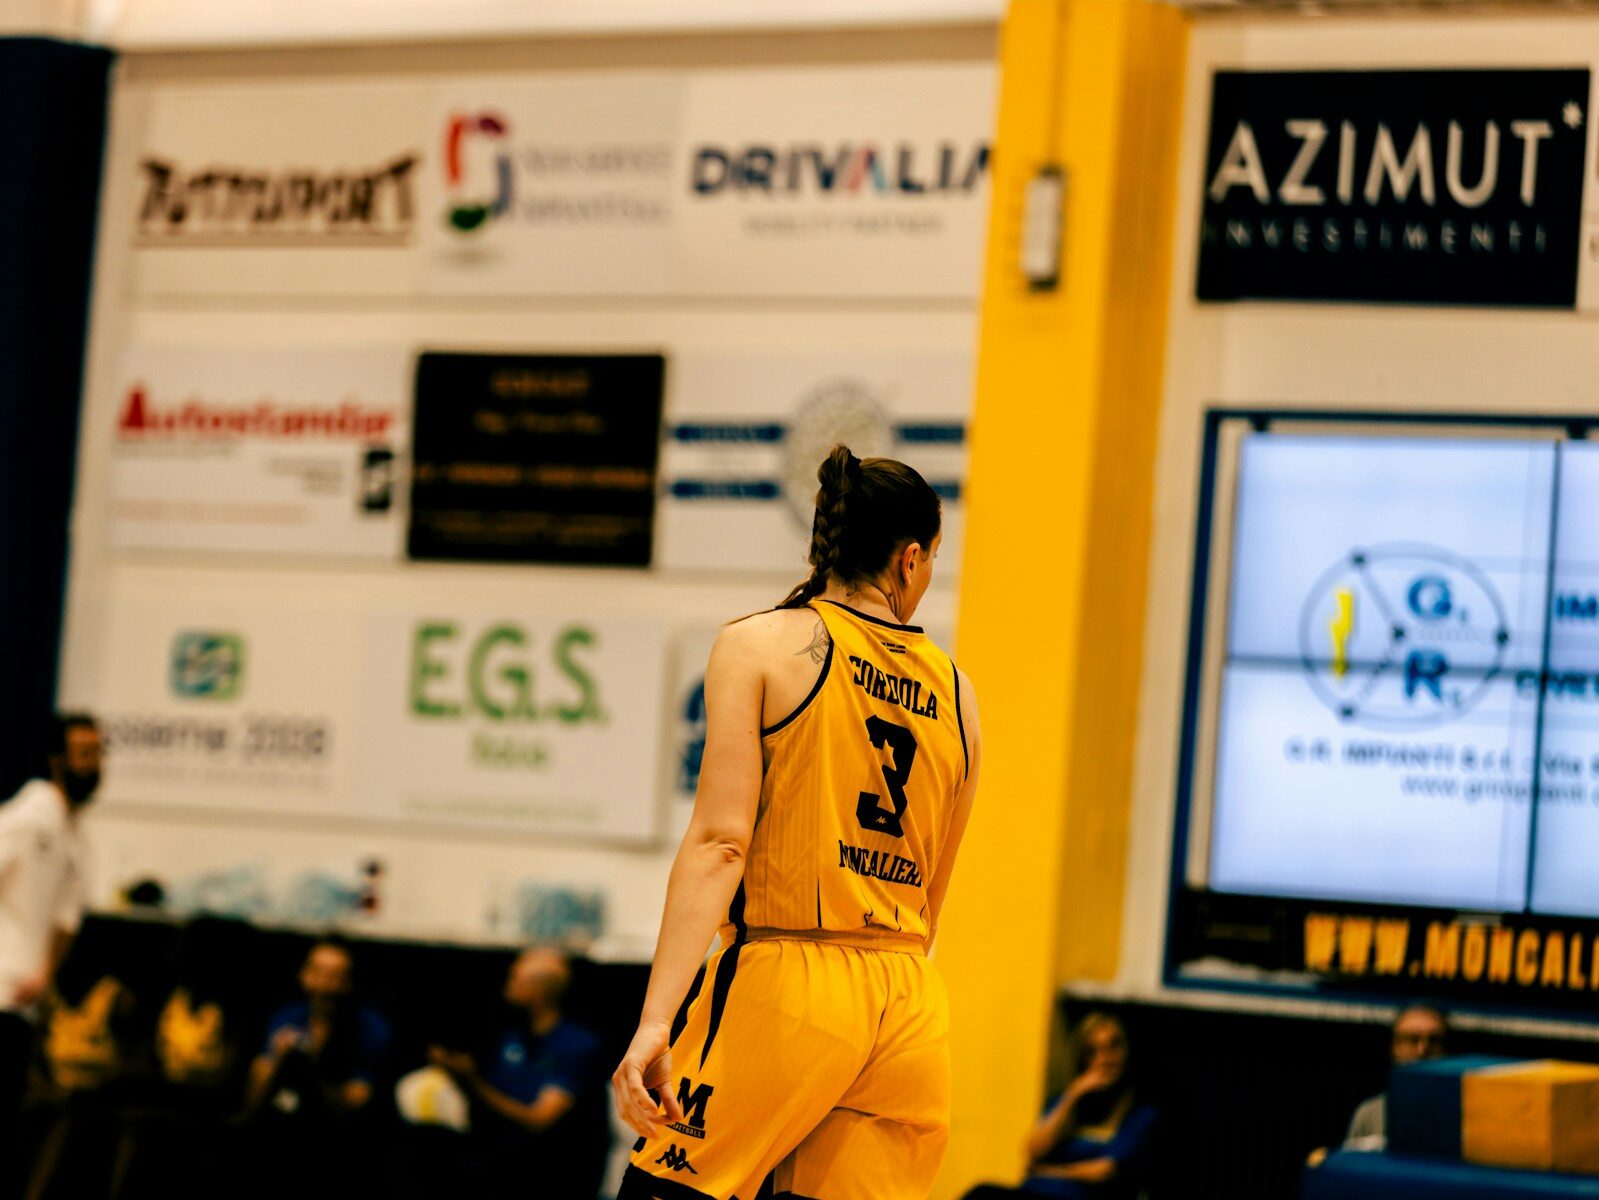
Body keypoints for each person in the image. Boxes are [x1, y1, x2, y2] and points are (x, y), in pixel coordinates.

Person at [614, 445, 982, 1200]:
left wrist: (657, 1021)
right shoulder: (958, 691)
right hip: (906, 996)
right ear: (909, 560)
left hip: (790, 981)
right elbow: (933, 892)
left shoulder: (758, 644)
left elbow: (720, 844)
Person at [0, 713, 101, 1196]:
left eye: (98, 754)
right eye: (83, 754)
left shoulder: (74, 836)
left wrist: (44, 970)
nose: (94, 765)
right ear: (57, 760)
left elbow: (65, 921)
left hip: (25, 1002)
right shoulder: (26, 817)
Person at [427, 946, 609, 1198]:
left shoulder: (576, 1045)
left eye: (514, 978)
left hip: (552, 1169)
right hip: (496, 1159)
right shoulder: (510, 1036)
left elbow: (539, 1119)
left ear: (538, 991)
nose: (507, 986)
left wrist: (470, 1079)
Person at [962, 1013, 1156, 1200]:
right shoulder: (1066, 1103)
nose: (1104, 1059)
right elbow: (1034, 1151)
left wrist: (1049, 1171)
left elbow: (1105, 1171)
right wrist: (1072, 1096)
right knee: (981, 1193)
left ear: (1128, 1051)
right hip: (1033, 1191)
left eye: (1113, 1046)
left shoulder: (1140, 1114)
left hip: (1076, 1196)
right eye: (1092, 1051)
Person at [247, 936, 391, 1119]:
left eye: (335, 976)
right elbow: (254, 1098)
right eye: (318, 972)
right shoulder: (286, 1017)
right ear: (303, 975)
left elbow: (355, 1107)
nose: (324, 985)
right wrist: (280, 1062)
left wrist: (313, 1070)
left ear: (349, 983)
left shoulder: (371, 1029)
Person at [1342, 1004, 1449, 1151]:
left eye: (1434, 1041)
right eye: (1413, 1039)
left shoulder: (1460, 1118)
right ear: (1395, 1047)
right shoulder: (1369, 1113)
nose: (1422, 1050)